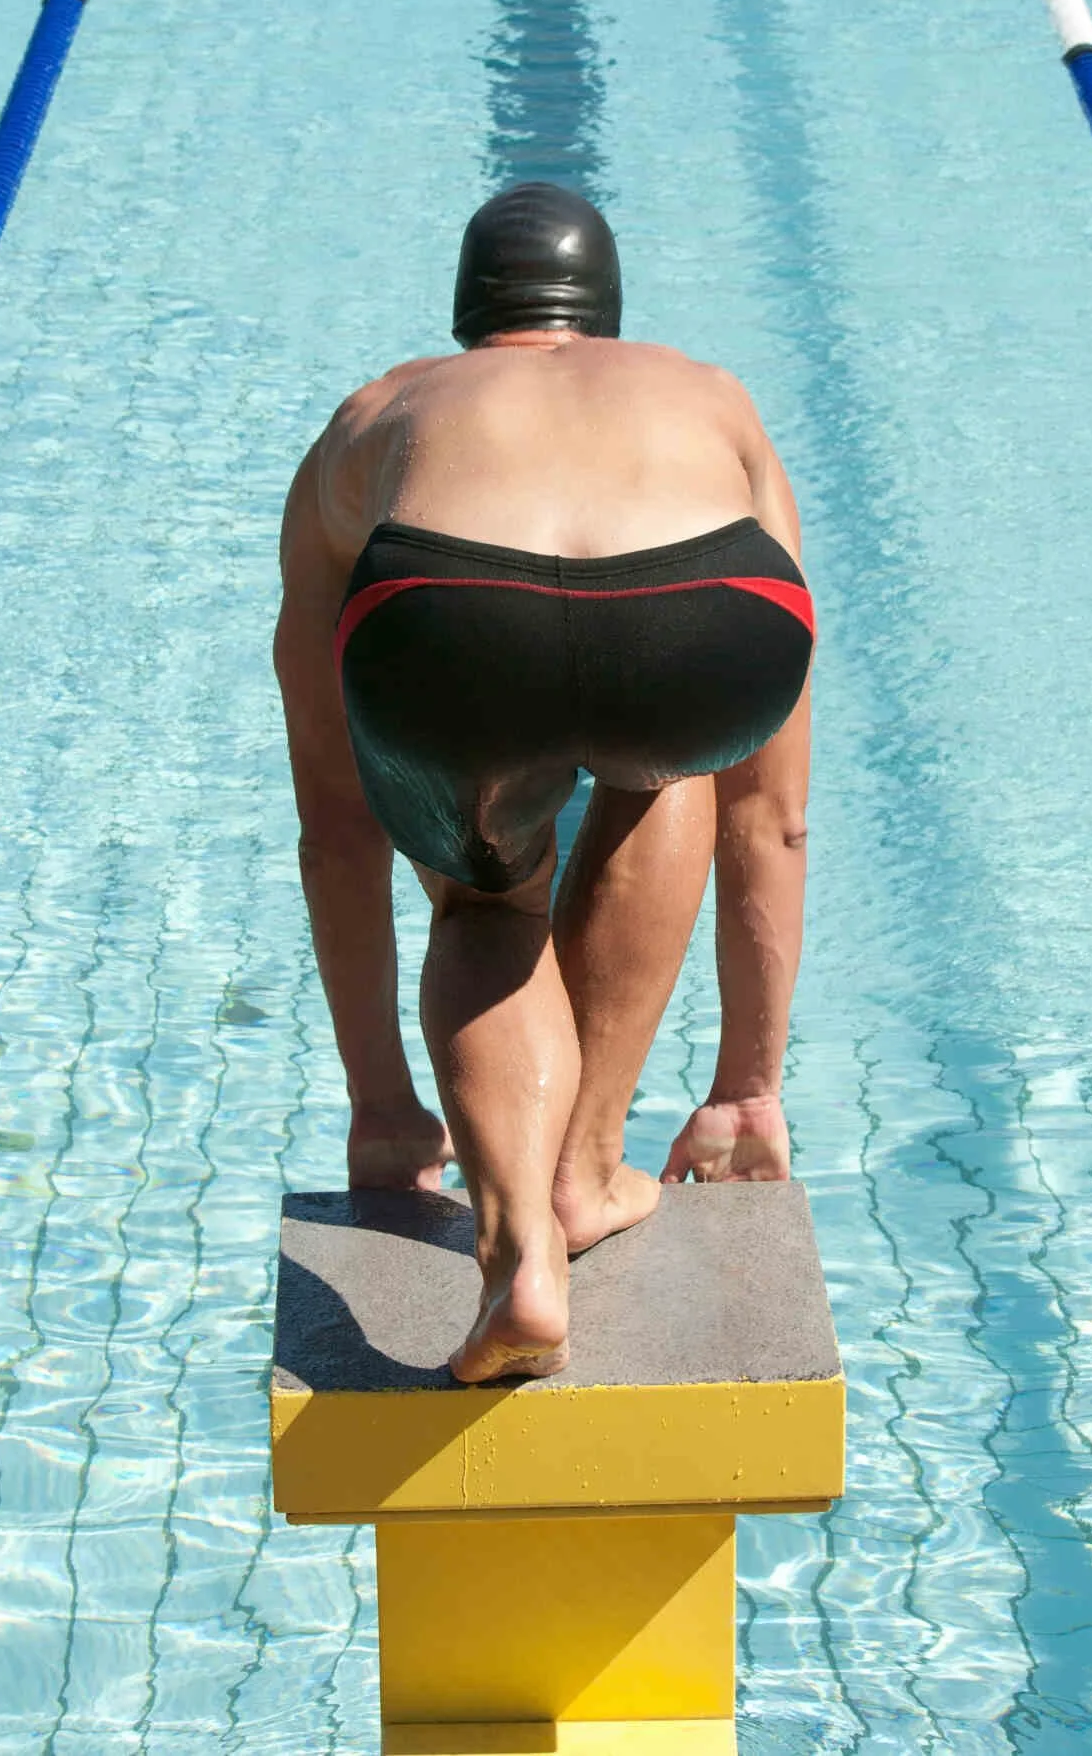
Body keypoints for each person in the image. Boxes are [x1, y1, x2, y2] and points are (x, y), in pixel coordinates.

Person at [274, 182, 813, 1382]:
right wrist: (745, 1085)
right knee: (671, 766)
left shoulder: (378, 410)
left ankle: (518, 1250)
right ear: (606, 319)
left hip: (447, 611)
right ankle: (584, 1172)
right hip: (704, 608)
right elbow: (771, 816)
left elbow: (335, 825)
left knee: (482, 898)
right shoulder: (707, 395)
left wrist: (384, 1106)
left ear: (469, 319)